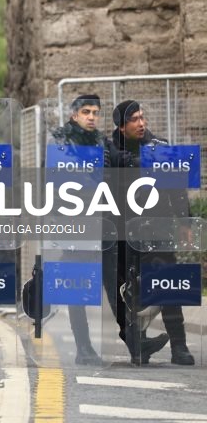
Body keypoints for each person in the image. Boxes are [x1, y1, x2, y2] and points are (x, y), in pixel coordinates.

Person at [104, 99, 193, 365]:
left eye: (142, 118)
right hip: (123, 231)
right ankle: (137, 345)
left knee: (167, 285)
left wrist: (185, 223)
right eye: (134, 120)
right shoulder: (109, 152)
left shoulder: (161, 148)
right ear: (121, 127)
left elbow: (177, 190)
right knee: (128, 292)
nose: (141, 124)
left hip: (158, 227)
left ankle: (180, 346)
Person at [47, 94, 106, 365]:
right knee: (76, 283)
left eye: (95, 112)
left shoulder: (102, 142)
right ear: (74, 115)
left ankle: (132, 340)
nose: (91, 116)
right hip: (72, 221)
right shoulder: (60, 141)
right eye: (86, 112)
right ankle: (83, 346)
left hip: (101, 218)